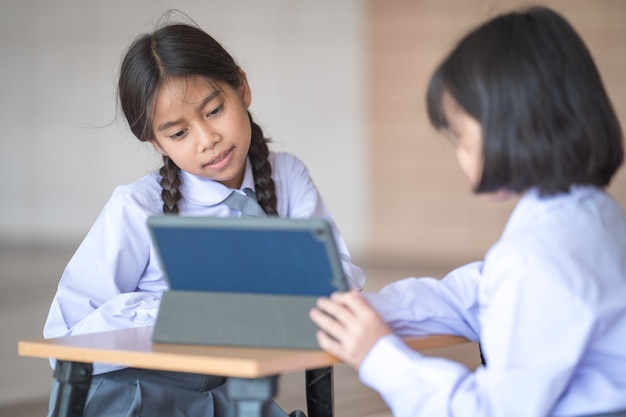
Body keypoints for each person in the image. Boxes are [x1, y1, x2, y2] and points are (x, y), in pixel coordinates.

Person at [310, 6, 626, 417]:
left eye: (459, 135)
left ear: (513, 127)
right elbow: (477, 295)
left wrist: (377, 356)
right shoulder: (595, 215)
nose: (459, 153)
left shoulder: (535, 258)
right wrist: (370, 310)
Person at [43, 19, 365, 417]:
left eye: (214, 110)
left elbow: (339, 277)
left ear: (242, 88)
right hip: (135, 395)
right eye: (178, 134)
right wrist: (174, 311)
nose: (206, 139)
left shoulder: (286, 176)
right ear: (153, 140)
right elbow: (63, 340)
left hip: (227, 395)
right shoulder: (136, 207)